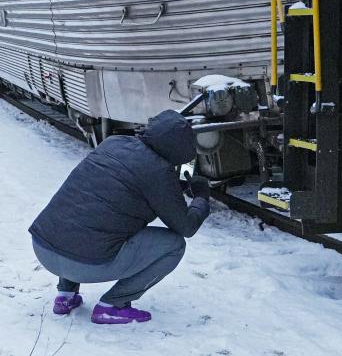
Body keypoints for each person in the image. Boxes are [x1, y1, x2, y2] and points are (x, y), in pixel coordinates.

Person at [29, 110, 212, 324]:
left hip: (44, 247)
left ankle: (65, 296)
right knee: (174, 245)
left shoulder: (113, 143)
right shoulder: (159, 173)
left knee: (83, 215)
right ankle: (113, 305)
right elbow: (186, 227)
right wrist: (201, 198)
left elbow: (136, 186)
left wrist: (174, 184)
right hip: (83, 264)